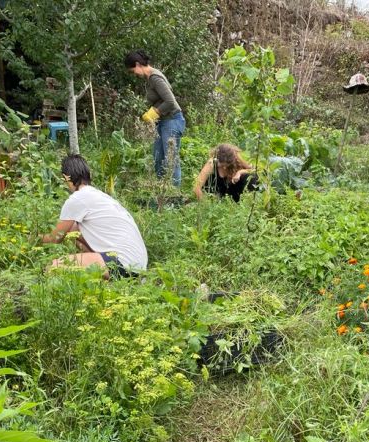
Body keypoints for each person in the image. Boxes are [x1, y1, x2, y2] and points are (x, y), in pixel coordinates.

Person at [42, 155, 148, 278]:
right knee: (72, 230)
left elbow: (55, 238)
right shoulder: (100, 196)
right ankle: (103, 275)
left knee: (54, 267)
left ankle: (103, 276)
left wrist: (31, 238)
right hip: (138, 264)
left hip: (123, 262)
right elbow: (68, 231)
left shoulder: (77, 199)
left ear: (66, 177)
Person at [124, 50, 185, 185]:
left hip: (172, 121)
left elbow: (170, 101)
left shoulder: (155, 78)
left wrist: (155, 112)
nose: (133, 74)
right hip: (163, 122)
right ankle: (160, 191)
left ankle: (174, 195)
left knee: (171, 159)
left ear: (137, 64)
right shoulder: (149, 78)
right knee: (158, 158)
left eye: (132, 70)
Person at [193, 144, 258, 202]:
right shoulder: (211, 163)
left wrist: (239, 172)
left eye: (227, 165)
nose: (224, 168)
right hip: (215, 192)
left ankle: (248, 202)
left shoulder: (236, 157)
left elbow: (254, 170)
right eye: (221, 165)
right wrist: (205, 204)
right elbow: (196, 188)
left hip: (231, 190)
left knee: (252, 176)